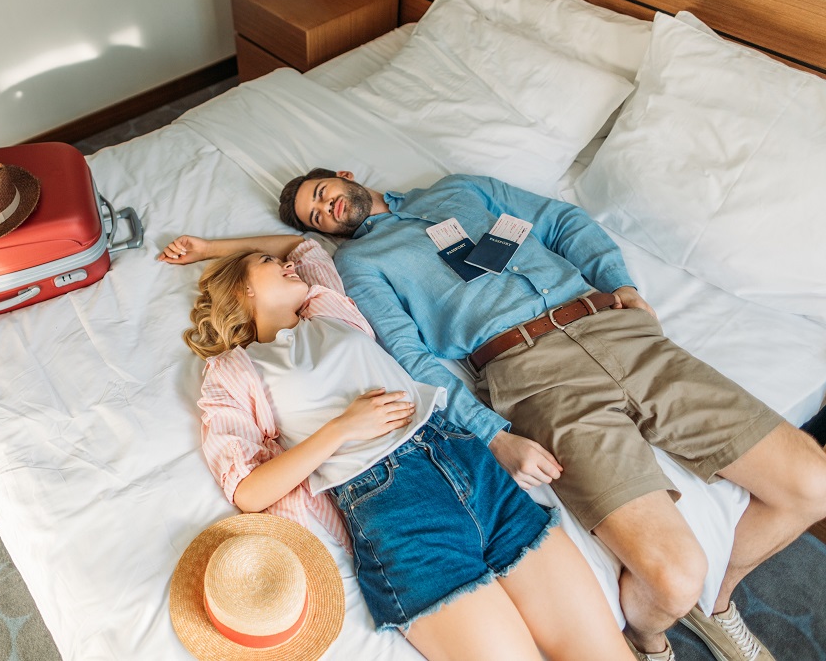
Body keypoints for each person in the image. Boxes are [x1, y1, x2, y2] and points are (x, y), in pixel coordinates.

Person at [276, 168, 826, 661]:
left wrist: (620, 283)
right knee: (676, 579)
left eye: (321, 194)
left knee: (814, 484)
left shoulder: (462, 189)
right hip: (532, 372)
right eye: (316, 216)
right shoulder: (361, 261)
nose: (326, 210)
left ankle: (720, 603)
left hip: (618, 328)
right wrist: (491, 435)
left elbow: (562, 221)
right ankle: (651, 642)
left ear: (345, 177)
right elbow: (409, 356)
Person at [160, 234, 635, 660]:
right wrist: (343, 428)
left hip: (463, 461)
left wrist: (208, 249)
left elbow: (301, 246)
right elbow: (248, 491)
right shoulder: (235, 370)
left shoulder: (328, 308)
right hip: (393, 508)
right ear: (242, 290)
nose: (288, 268)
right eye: (265, 263)